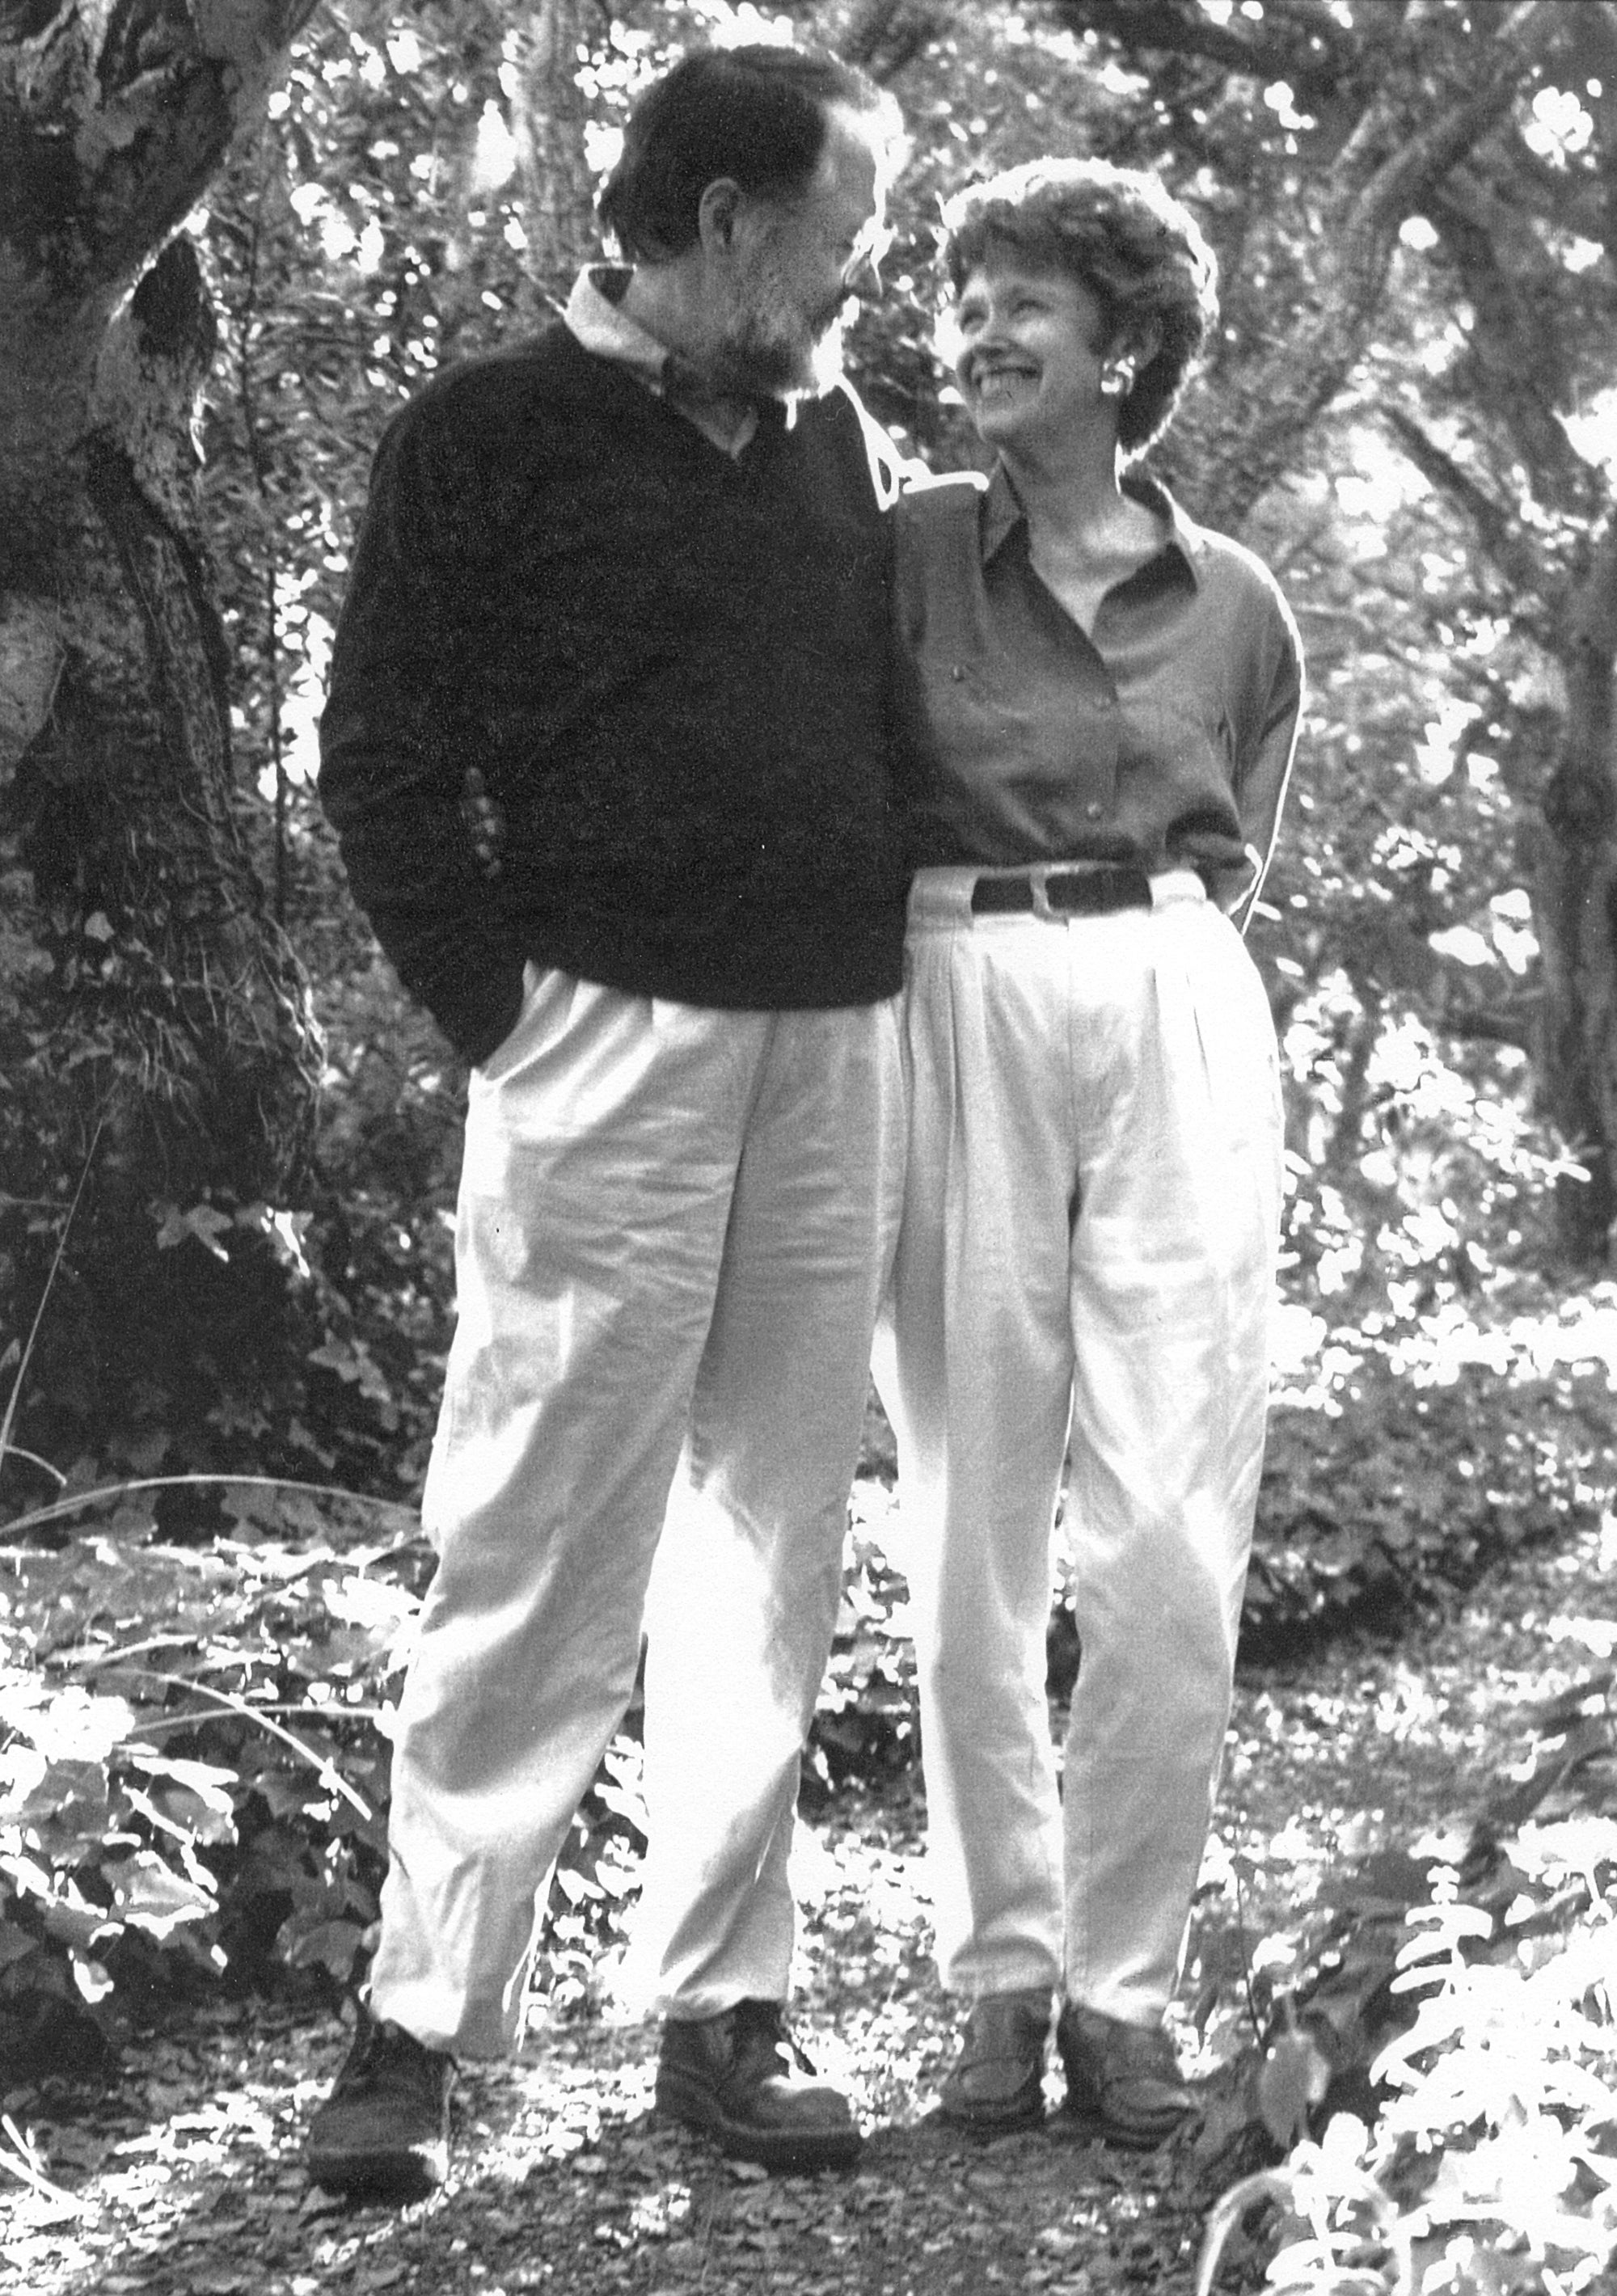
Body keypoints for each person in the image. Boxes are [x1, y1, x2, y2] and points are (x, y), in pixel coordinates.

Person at [307, 42, 909, 2197]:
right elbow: (376, 764)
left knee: (770, 1548)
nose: (857, 284)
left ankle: (723, 2011)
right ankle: (416, 2024)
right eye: (838, 238)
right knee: (540, 1533)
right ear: (729, 219)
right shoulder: (480, 435)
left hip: (832, 1052)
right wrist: (510, 1031)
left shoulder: (829, 435)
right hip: (607, 1058)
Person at [876, 157, 1303, 2146]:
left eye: (1019, 300)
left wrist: (1151, 975)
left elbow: (1245, 835)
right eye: (960, 296)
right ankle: (1000, 1974)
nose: (974, 330)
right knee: (973, 1513)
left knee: (1164, 1530)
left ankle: (1126, 1986)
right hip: (949, 983)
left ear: (1120, 343)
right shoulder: (898, 558)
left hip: (1171, 996)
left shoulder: (1232, 601)